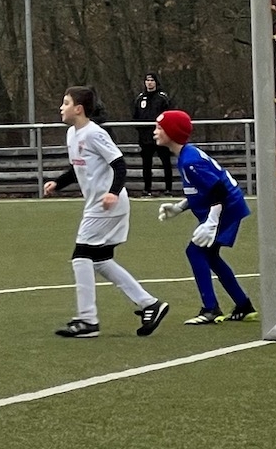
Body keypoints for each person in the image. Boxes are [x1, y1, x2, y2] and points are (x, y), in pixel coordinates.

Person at [43, 86, 170, 338]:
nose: (61, 107)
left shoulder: (94, 133)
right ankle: (150, 304)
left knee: (81, 256)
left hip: (107, 205)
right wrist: (58, 182)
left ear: (78, 109)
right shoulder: (72, 134)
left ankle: (87, 320)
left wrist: (113, 192)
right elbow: (78, 167)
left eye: (66, 102)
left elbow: (119, 165)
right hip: (99, 205)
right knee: (100, 259)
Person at [154, 110, 257, 324]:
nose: (155, 132)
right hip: (226, 206)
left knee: (195, 251)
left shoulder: (189, 161)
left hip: (227, 207)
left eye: (160, 128)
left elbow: (219, 191)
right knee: (209, 255)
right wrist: (180, 207)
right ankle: (243, 305)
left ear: (172, 133)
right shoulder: (186, 155)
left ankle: (211, 309)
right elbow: (203, 189)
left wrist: (211, 222)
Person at [131, 72, 174, 196]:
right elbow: (135, 116)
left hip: (161, 136)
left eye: (151, 80)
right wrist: (141, 129)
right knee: (146, 164)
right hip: (145, 138)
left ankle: (168, 189)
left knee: (166, 162)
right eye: (147, 80)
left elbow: (168, 115)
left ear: (156, 82)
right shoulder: (140, 98)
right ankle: (147, 189)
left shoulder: (162, 97)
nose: (149, 83)